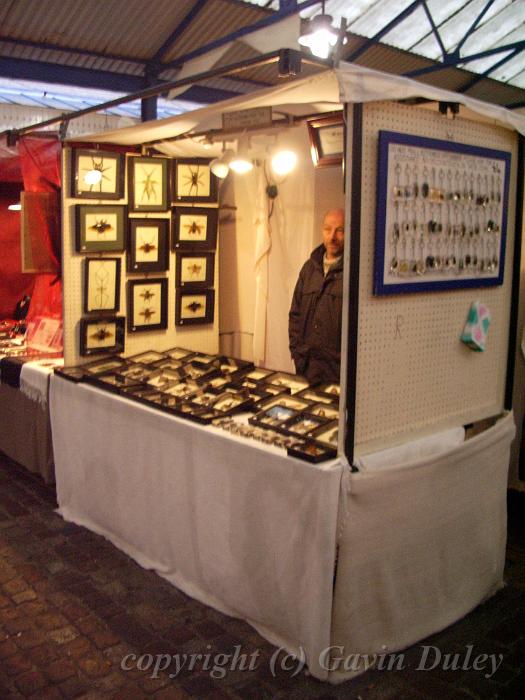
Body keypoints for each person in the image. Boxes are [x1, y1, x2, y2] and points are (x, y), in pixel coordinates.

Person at [288, 208, 345, 385]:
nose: (332, 236)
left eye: (340, 230)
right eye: (328, 229)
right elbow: (295, 315)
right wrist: (297, 354)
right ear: (322, 231)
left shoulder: (353, 273)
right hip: (306, 368)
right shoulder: (309, 269)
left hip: (336, 373)